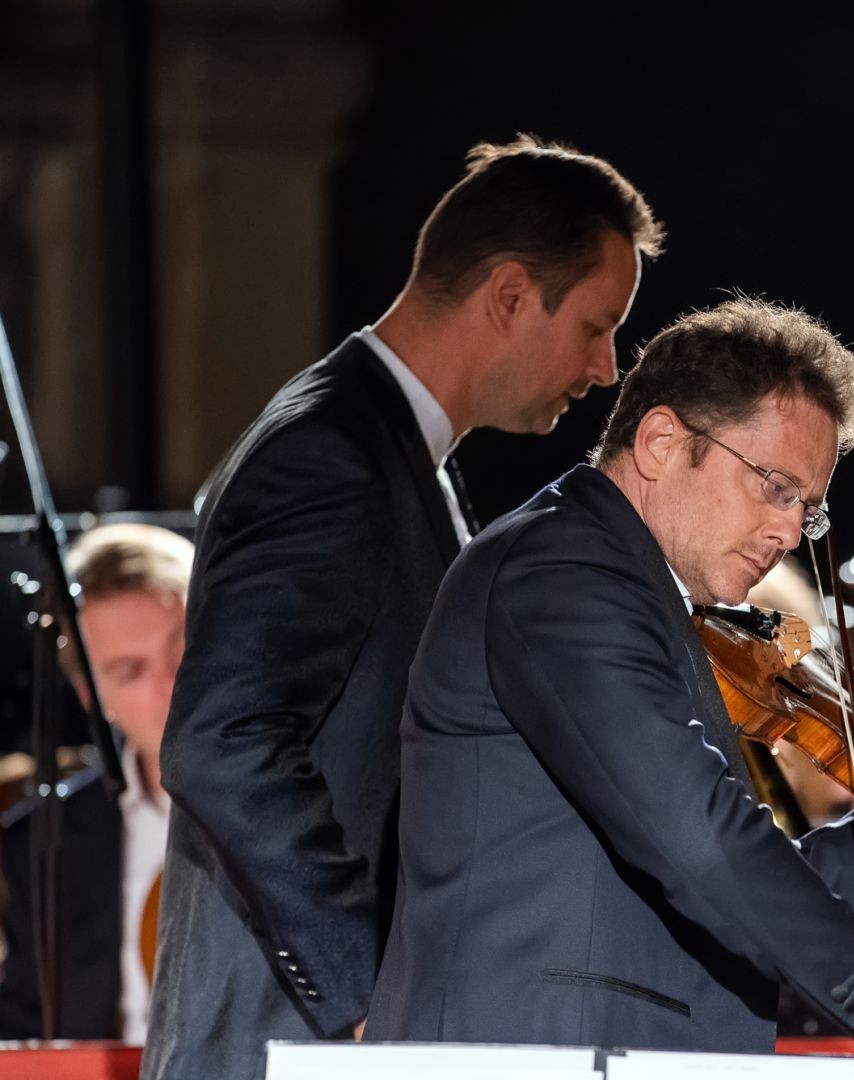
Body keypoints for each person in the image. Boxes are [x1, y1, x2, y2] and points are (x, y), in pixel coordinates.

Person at [366, 298, 854, 1080]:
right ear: (662, 442)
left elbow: (712, 867)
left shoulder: (633, 589)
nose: (790, 532)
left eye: (807, 509)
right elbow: (700, 842)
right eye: (776, 487)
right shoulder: (561, 569)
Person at [145, 135, 662, 1080]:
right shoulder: (330, 454)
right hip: (285, 1044)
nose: (606, 367)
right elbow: (223, 741)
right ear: (509, 296)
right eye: (597, 326)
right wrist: (366, 996)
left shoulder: (390, 451)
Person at [69, 524, 192, 1042]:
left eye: (183, 646)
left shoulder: (321, 796)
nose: (171, 683)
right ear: (91, 697)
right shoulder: (45, 843)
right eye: (130, 670)